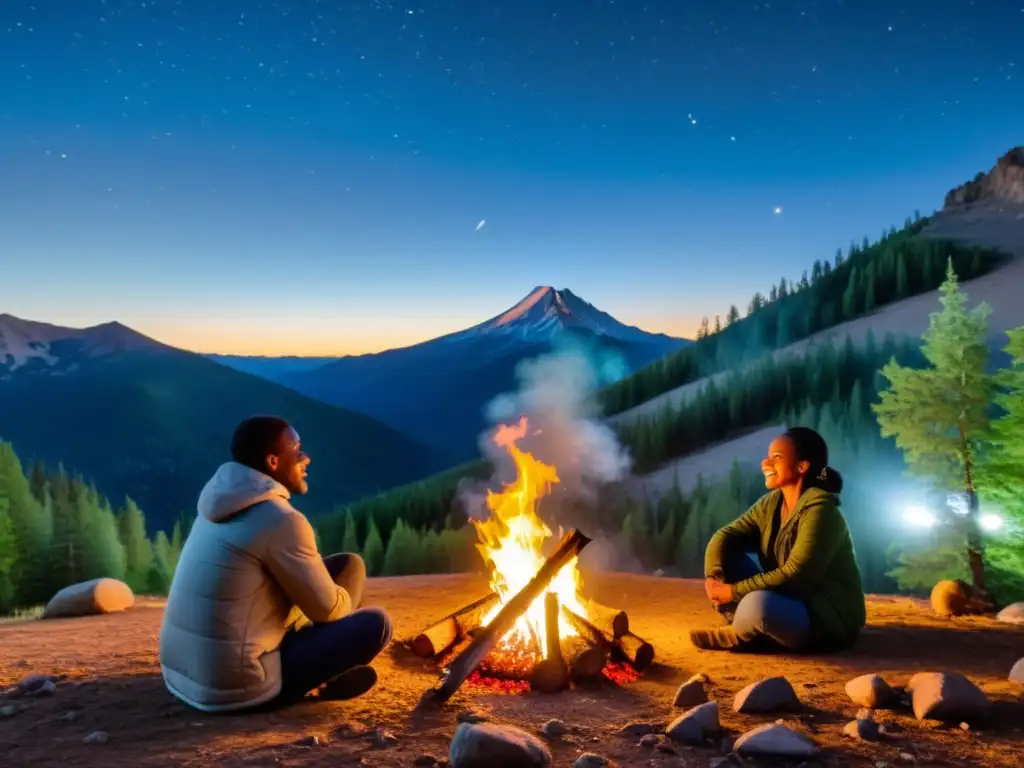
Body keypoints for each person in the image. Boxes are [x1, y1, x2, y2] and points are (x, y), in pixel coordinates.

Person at [159, 415, 393, 712]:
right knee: (377, 624)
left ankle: (328, 670)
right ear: (272, 462)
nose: (306, 458)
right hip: (239, 687)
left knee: (350, 565)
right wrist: (339, 606)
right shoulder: (281, 520)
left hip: (185, 674)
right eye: (297, 450)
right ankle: (328, 674)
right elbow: (327, 610)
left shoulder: (217, 504)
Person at [689, 426, 865, 653]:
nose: (766, 463)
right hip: (788, 599)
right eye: (767, 456)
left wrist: (732, 592)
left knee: (759, 605)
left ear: (802, 466)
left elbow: (796, 575)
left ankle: (741, 633)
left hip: (824, 616)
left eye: (777, 458)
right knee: (727, 554)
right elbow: (726, 536)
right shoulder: (772, 503)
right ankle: (749, 627)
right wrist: (716, 576)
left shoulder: (821, 511)